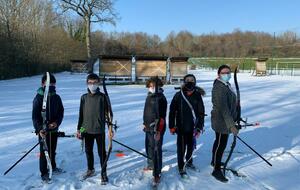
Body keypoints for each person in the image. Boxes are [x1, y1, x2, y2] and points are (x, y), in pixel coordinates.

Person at [76, 73, 112, 184]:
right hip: (86, 131)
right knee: (88, 151)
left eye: (94, 83)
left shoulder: (102, 97)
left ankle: (104, 173)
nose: (92, 85)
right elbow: (81, 116)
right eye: (90, 83)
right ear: (87, 83)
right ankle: (90, 169)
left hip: (99, 130)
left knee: (102, 153)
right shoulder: (84, 97)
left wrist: (110, 129)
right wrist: (79, 130)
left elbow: (109, 115)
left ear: (98, 83)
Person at [169, 74, 205, 177]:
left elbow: (201, 113)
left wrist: (199, 127)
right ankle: (181, 166)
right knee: (181, 148)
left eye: (192, 80)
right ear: (184, 82)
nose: (190, 82)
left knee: (190, 147)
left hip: (193, 127)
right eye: (187, 80)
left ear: (195, 82)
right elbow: (172, 111)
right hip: (180, 127)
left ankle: (189, 162)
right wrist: (172, 126)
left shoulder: (197, 95)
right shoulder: (178, 95)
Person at [32, 73, 64, 182]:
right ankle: (44, 172)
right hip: (43, 131)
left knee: (52, 150)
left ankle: (53, 166)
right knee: (44, 152)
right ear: (42, 84)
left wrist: (56, 123)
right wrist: (40, 128)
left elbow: (61, 112)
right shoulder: (38, 98)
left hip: (54, 129)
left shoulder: (56, 97)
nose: (51, 87)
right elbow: (35, 116)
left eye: (53, 85)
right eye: (49, 84)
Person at [211, 65, 239, 183]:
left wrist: (237, 116)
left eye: (228, 72)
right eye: (224, 72)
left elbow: (231, 105)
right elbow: (224, 108)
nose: (227, 74)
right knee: (221, 144)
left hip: (226, 120)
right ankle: (216, 170)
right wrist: (231, 125)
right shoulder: (219, 87)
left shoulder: (226, 85)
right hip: (221, 121)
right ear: (219, 74)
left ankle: (214, 161)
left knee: (219, 142)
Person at [142, 77, 167, 184]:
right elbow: (147, 112)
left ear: (159, 86)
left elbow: (162, 117)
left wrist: (159, 131)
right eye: (151, 86)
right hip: (148, 127)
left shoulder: (161, 98)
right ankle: (151, 165)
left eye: (155, 86)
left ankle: (157, 173)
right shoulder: (149, 96)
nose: (152, 88)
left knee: (156, 150)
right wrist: (145, 123)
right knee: (149, 147)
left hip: (157, 129)